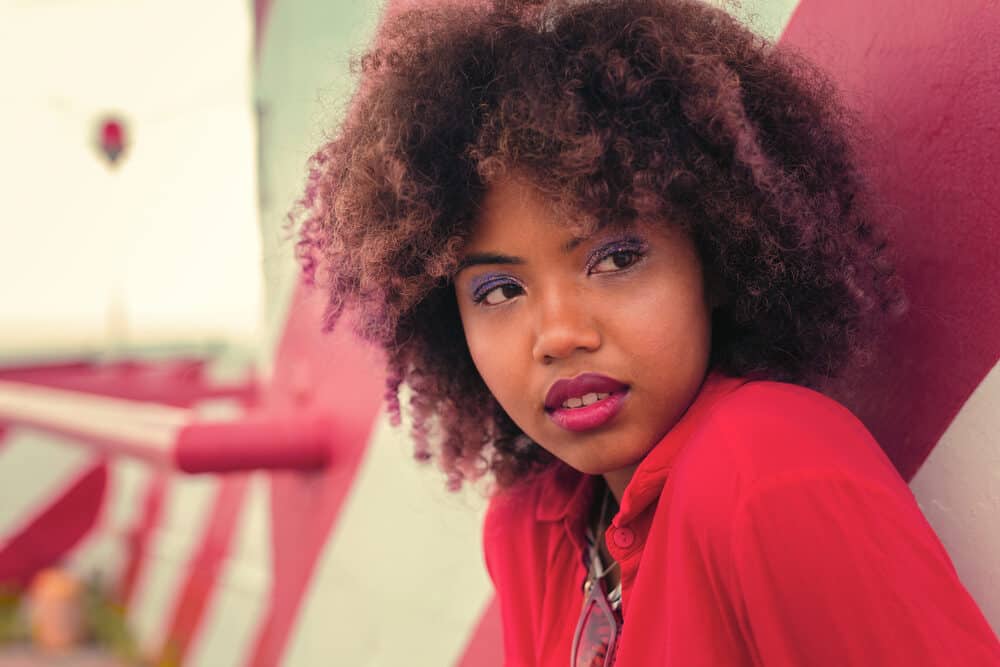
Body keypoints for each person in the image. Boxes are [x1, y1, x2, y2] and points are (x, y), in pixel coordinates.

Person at [293, 0, 1000, 664]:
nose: (560, 334)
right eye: (500, 290)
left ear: (714, 261)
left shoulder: (770, 465)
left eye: (617, 258)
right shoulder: (527, 530)